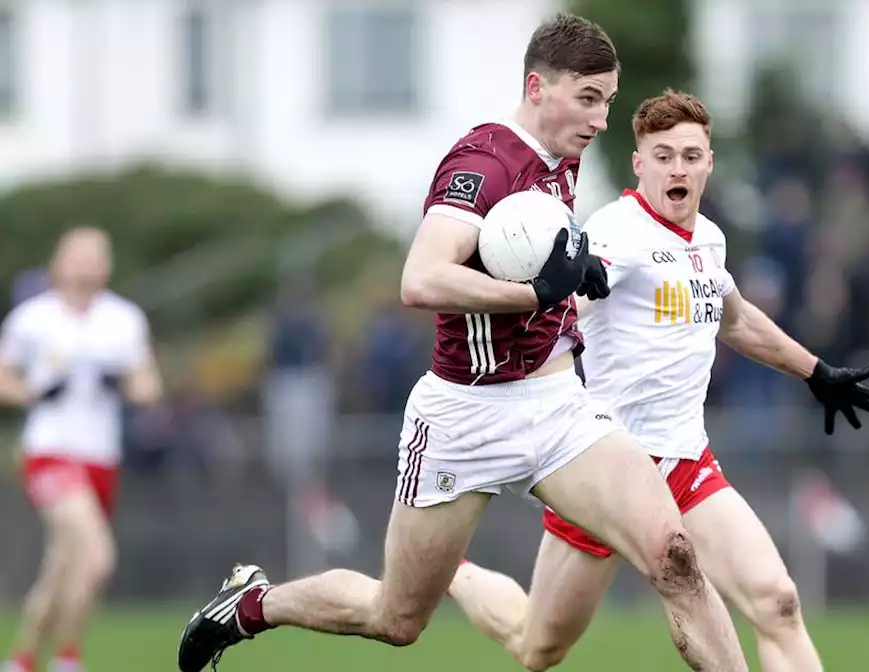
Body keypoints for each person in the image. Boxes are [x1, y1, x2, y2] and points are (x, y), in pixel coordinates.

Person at [176, 15, 751, 672]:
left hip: (559, 404)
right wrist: (538, 293)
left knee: (674, 557)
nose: (600, 119)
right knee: (395, 618)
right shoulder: (482, 162)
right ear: (538, 87)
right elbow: (421, 280)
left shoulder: (564, 154)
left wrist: (576, 268)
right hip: (465, 416)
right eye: (588, 98)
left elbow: (530, 252)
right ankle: (253, 604)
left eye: (608, 102)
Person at [446, 89, 869, 672]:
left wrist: (816, 372)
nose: (676, 167)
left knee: (777, 602)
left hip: (686, 464)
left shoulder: (709, 238)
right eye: (662, 155)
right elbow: (573, 295)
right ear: (639, 164)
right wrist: (579, 280)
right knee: (537, 647)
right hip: (607, 471)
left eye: (689, 155)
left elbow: (735, 319)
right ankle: (454, 572)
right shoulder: (616, 229)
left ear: (708, 161)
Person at [1, 228, 163, 672]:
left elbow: (148, 382)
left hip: (101, 457)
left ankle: (22, 659)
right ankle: (69, 658)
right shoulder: (32, 319)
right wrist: (35, 392)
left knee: (60, 570)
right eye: (80, 255)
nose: (89, 264)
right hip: (50, 451)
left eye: (97, 256)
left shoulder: (124, 320)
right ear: (59, 260)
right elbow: (5, 379)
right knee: (96, 555)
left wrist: (127, 386)